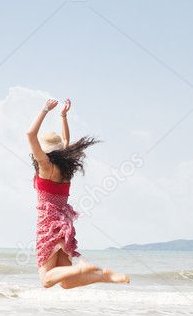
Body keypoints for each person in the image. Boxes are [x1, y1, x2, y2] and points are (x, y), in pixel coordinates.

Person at [27, 98, 129, 288]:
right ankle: (104, 276)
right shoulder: (65, 168)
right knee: (66, 283)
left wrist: (45, 110)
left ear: (44, 150)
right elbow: (65, 140)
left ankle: (80, 269)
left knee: (46, 280)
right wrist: (63, 116)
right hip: (64, 222)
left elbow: (30, 134)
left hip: (48, 223)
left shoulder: (45, 165)